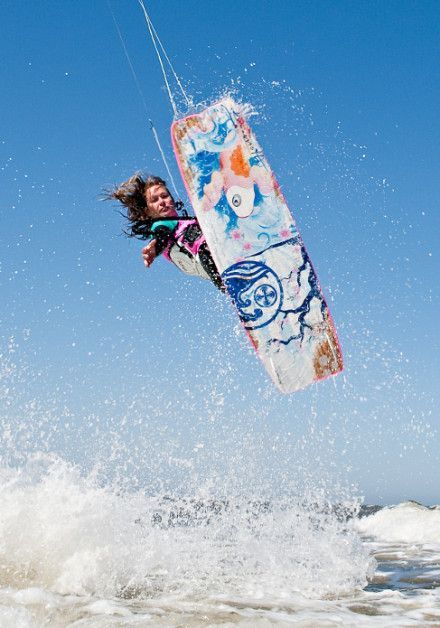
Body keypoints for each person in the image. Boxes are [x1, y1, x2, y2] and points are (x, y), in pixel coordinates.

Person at [108, 173, 223, 290]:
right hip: (205, 257)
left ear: (172, 200)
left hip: (215, 254)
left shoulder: (185, 221)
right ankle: (230, 286)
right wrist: (156, 248)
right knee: (204, 248)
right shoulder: (162, 224)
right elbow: (162, 235)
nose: (162, 201)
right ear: (147, 211)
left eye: (164, 196)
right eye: (154, 200)